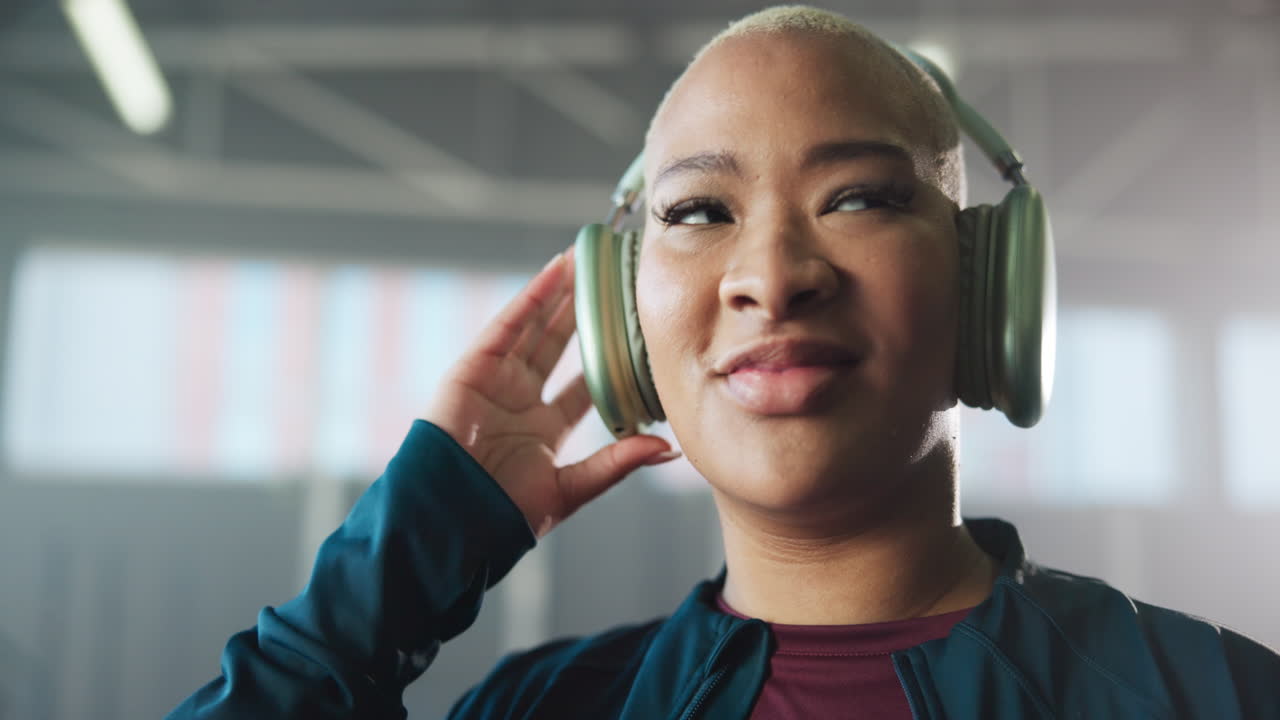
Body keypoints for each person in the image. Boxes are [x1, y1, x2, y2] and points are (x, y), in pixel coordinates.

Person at [169, 6, 1280, 719]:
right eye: (699, 211)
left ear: (986, 282)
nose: (773, 273)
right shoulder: (547, 712)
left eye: (856, 197)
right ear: (625, 323)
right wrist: (403, 564)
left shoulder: (1212, 696)